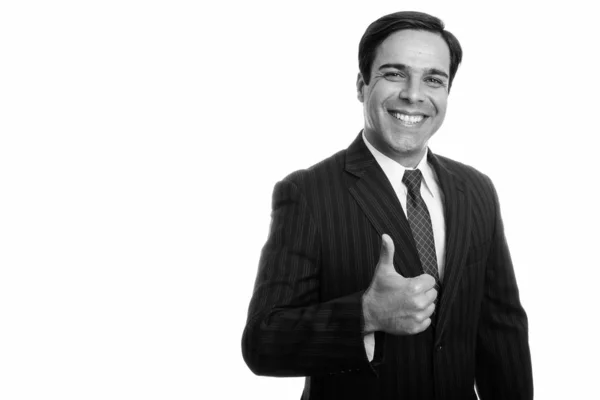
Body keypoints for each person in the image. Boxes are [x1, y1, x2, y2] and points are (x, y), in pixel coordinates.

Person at [241, 10, 533, 400]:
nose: (414, 94)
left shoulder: (475, 189)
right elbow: (263, 342)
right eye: (394, 74)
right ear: (362, 86)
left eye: (433, 79)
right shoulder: (307, 193)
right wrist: (366, 314)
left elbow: (502, 330)